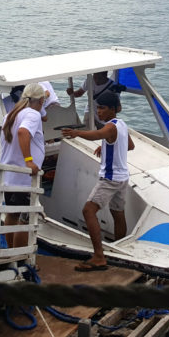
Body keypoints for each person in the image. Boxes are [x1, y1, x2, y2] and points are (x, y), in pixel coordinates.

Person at [61, 91, 134, 271]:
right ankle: (117, 248)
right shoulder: (122, 125)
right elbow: (129, 146)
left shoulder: (110, 127)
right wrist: (108, 147)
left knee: (88, 211)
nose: (99, 111)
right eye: (98, 108)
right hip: (122, 178)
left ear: (112, 109)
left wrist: (77, 132)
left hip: (109, 179)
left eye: (102, 108)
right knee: (118, 213)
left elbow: (97, 134)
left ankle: (99, 257)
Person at [0, 83, 46, 248]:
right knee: (25, 219)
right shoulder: (33, 114)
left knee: (11, 216)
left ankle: (11, 252)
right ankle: (21, 256)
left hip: (9, 175)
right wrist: (29, 160)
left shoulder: (12, 114)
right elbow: (23, 132)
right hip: (24, 179)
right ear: (41, 101)